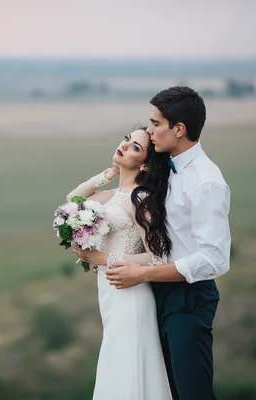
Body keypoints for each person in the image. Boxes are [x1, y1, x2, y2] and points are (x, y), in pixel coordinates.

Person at [74, 86, 231, 400]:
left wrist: (140, 272)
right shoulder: (166, 172)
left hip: (188, 300)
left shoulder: (206, 181)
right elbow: (154, 235)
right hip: (153, 295)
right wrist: (125, 259)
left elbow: (214, 260)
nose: (149, 130)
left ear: (179, 129)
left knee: (192, 393)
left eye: (155, 124)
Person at [65, 126, 173, 399]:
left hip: (131, 296)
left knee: (128, 369)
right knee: (116, 366)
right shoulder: (110, 196)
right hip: (110, 295)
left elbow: (158, 257)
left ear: (145, 163)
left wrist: (105, 259)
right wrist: (110, 173)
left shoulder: (142, 200)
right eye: (127, 140)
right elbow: (73, 199)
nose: (125, 146)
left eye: (135, 147)